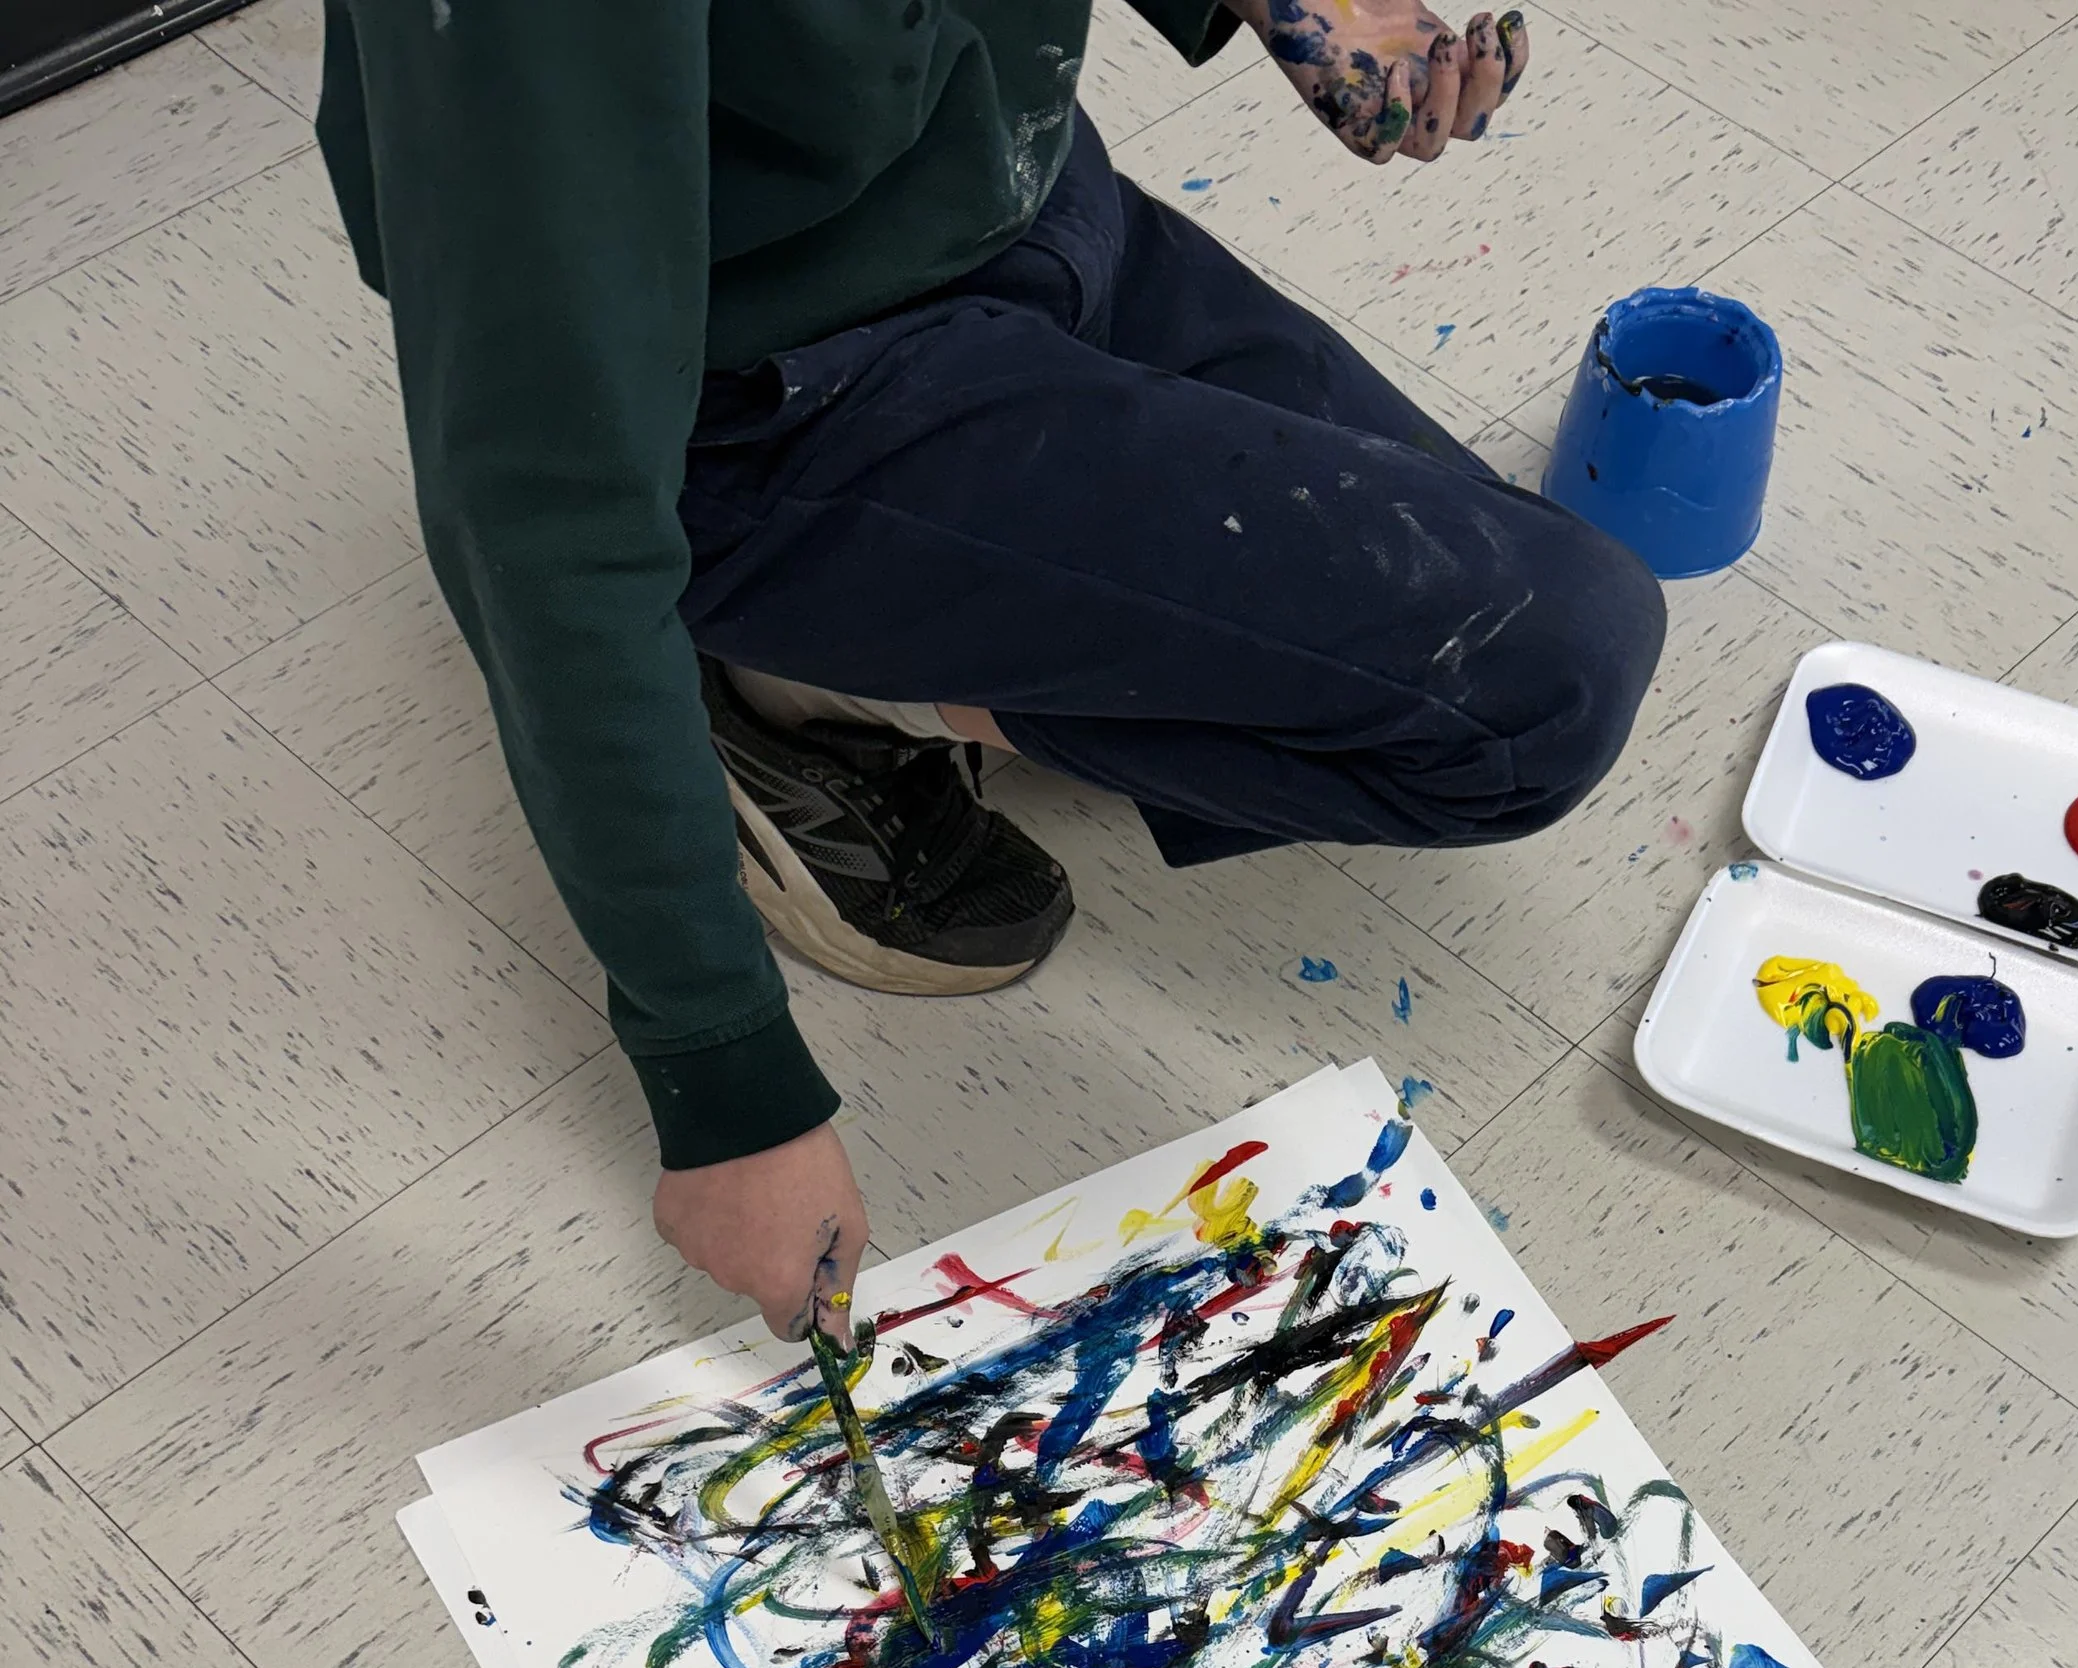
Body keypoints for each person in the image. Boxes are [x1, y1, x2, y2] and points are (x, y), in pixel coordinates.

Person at [317, 0, 1666, 1347]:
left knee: (1515, 630)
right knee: (1538, 688)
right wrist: (726, 1085)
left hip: (999, 187)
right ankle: (804, 700)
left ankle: (906, 629)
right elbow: (538, 517)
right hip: (769, 390)